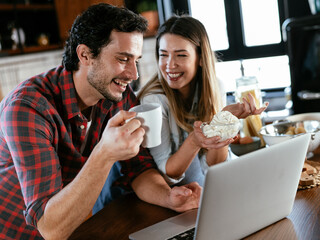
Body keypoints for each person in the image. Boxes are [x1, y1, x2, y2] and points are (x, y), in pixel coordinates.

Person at [0, 4, 201, 240]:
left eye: (135, 60)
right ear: (85, 55)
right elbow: (50, 228)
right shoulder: (28, 108)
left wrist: (169, 198)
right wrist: (105, 153)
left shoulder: (117, 94)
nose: (133, 74)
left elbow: (138, 168)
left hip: (78, 228)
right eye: (123, 59)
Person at [137, 15, 268, 186]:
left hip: (201, 190)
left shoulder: (215, 88)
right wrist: (194, 141)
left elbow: (215, 164)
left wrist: (224, 121)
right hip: (168, 197)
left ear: (200, 58)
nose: (170, 64)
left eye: (181, 55)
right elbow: (167, 171)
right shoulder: (154, 100)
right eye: (164, 55)